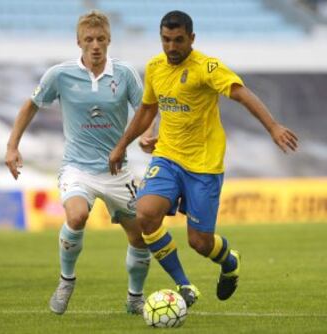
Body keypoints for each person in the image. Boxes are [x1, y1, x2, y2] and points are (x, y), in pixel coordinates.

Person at [109, 10, 298, 307]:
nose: (171, 47)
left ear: (192, 39)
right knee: (145, 214)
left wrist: (273, 127)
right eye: (166, 40)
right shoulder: (155, 67)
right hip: (167, 158)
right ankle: (185, 286)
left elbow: (242, 94)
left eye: (178, 40)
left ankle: (230, 262)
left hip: (204, 166)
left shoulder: (207, 67)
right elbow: (148, 109)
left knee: (199, 243)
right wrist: (124, 145)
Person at [5, 11, 151, 315]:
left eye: (100, 39)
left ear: (109, 40)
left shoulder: (124, 74)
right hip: (77, 169)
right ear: (78, 42)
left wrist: (148, 134)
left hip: (117, 171)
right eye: (89, 40)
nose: (95, 45)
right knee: (77, 215)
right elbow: (30, 105)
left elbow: (145, 110)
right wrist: (12, 146)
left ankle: (135, 298)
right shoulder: (60, 74)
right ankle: (66, 281)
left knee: (140, 234)